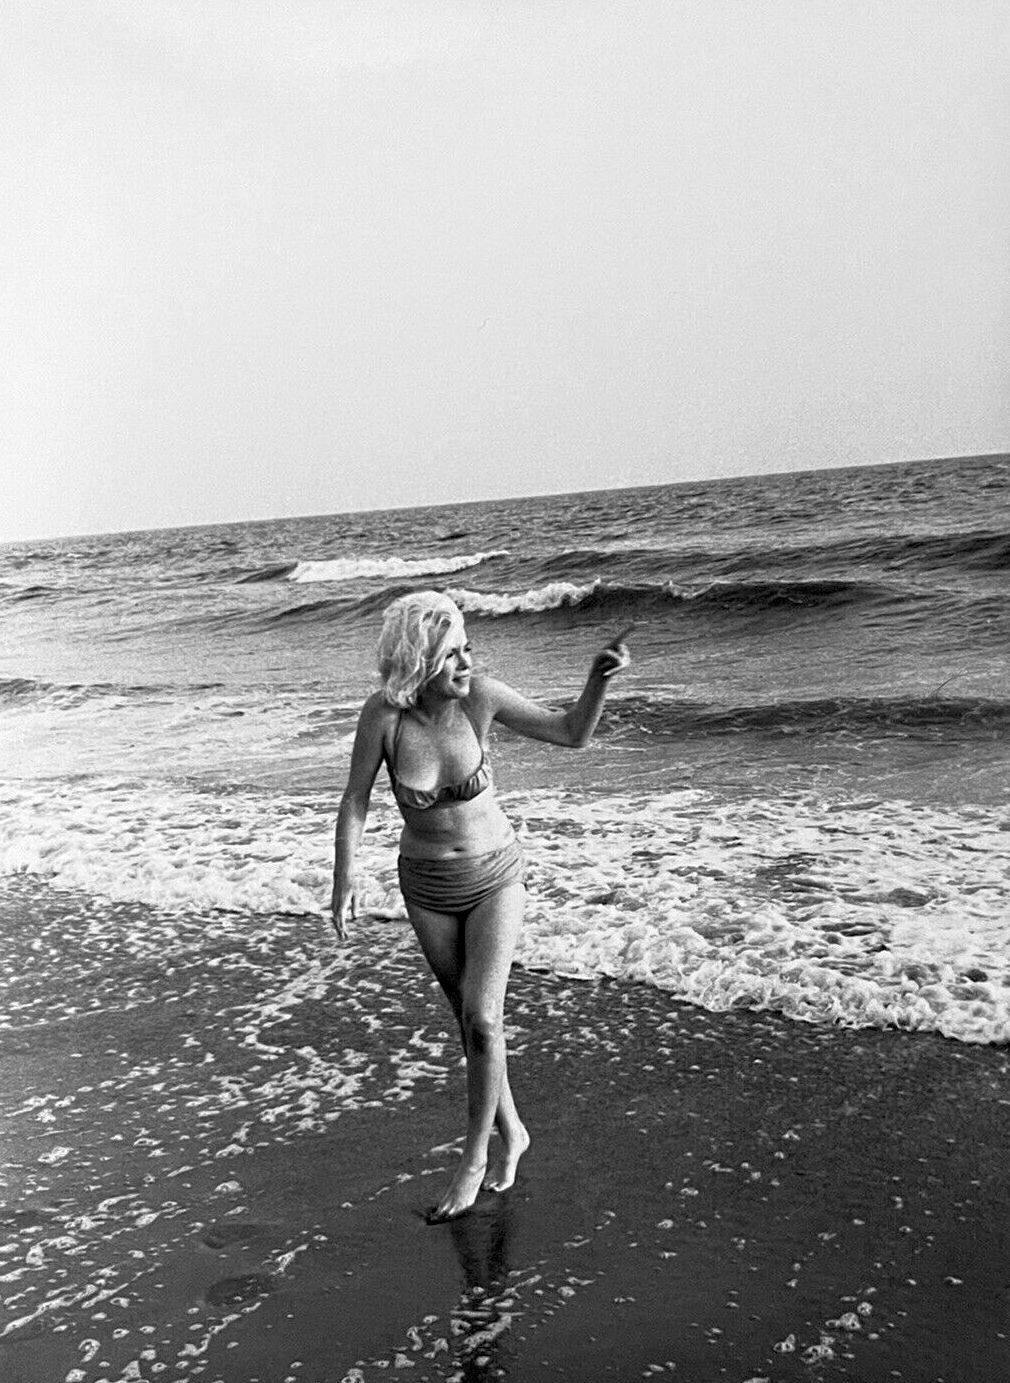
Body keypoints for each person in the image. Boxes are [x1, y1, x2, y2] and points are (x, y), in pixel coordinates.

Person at [330, 590, 631, 1221]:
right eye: (451, 654)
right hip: (427, 888)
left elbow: (572, 733)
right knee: (471, 1025)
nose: (467, 663)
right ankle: (513, 1131)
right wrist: (344, 878)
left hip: (496, 875)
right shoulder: (384, 717)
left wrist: (597, 680)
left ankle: (474, 1160)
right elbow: (356, 799)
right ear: (418, 661)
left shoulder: (481, 699)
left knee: (484, 1020)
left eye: (468, 649)